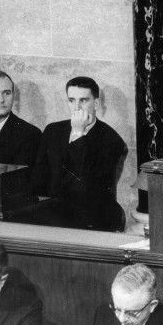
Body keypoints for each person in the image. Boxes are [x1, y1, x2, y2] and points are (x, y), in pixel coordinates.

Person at [31, 76, 128, 232]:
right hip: (52, 212)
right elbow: (39, 179)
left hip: (90, 217)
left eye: (83, 100)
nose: (76, 107)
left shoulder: (111, 140)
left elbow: (86, 184)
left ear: (96, 103)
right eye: (71, 100)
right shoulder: (52, 131)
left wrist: (78, 132)